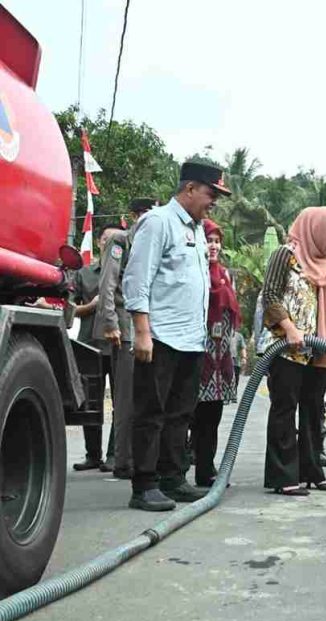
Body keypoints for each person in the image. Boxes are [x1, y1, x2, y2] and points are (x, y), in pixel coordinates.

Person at [122, 162, 225, 511]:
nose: (214, 201)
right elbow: (137, 278)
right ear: (191, 188)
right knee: (151, 412)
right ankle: (145, 484)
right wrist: (141, 331)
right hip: (161, 337)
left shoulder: (197, 230)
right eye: (211, 193)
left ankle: (173, 478)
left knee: (181, 413)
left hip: (191, 340)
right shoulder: (158, 222)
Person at [259, 207, 326, 496]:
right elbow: (270, 294)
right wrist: (289, 328)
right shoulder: (286, 254)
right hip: (287, 348)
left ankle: (312, 471)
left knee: (314, 409)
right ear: (316, 229)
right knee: (285, 408)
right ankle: (283, 476)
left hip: (320, 349)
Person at [95, 197, 158, 479]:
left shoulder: (154, 241)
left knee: (144, 398)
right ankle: (123, 461)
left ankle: (138, 457)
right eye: (143, 213)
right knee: (125, 400)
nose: (147, 217)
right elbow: (108, 283)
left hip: (147, 327)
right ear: (133, 215)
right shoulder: (120, 241)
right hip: (123, 324)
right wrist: (110, 322)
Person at [187, 220, 241, 487]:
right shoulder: (193, 271)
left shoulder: (226, 276)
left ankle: (206, 470)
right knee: (190, 417)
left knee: (212, 419)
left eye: (217, 241)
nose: (214, 246)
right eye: (209, 240)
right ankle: (183, 468)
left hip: (220, 361)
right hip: (197, 356)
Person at [71, 222, 121, 472]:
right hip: (90, 344)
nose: (111, 244)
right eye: (107, 240)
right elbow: (69, 310)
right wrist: (92, 305)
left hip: (118, 344)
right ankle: (93, 454)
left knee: (121, 403)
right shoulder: (84, 274)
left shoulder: (125, 272)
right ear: (101, 242)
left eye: (116, 240)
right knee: (91, 402)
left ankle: (115, 455)